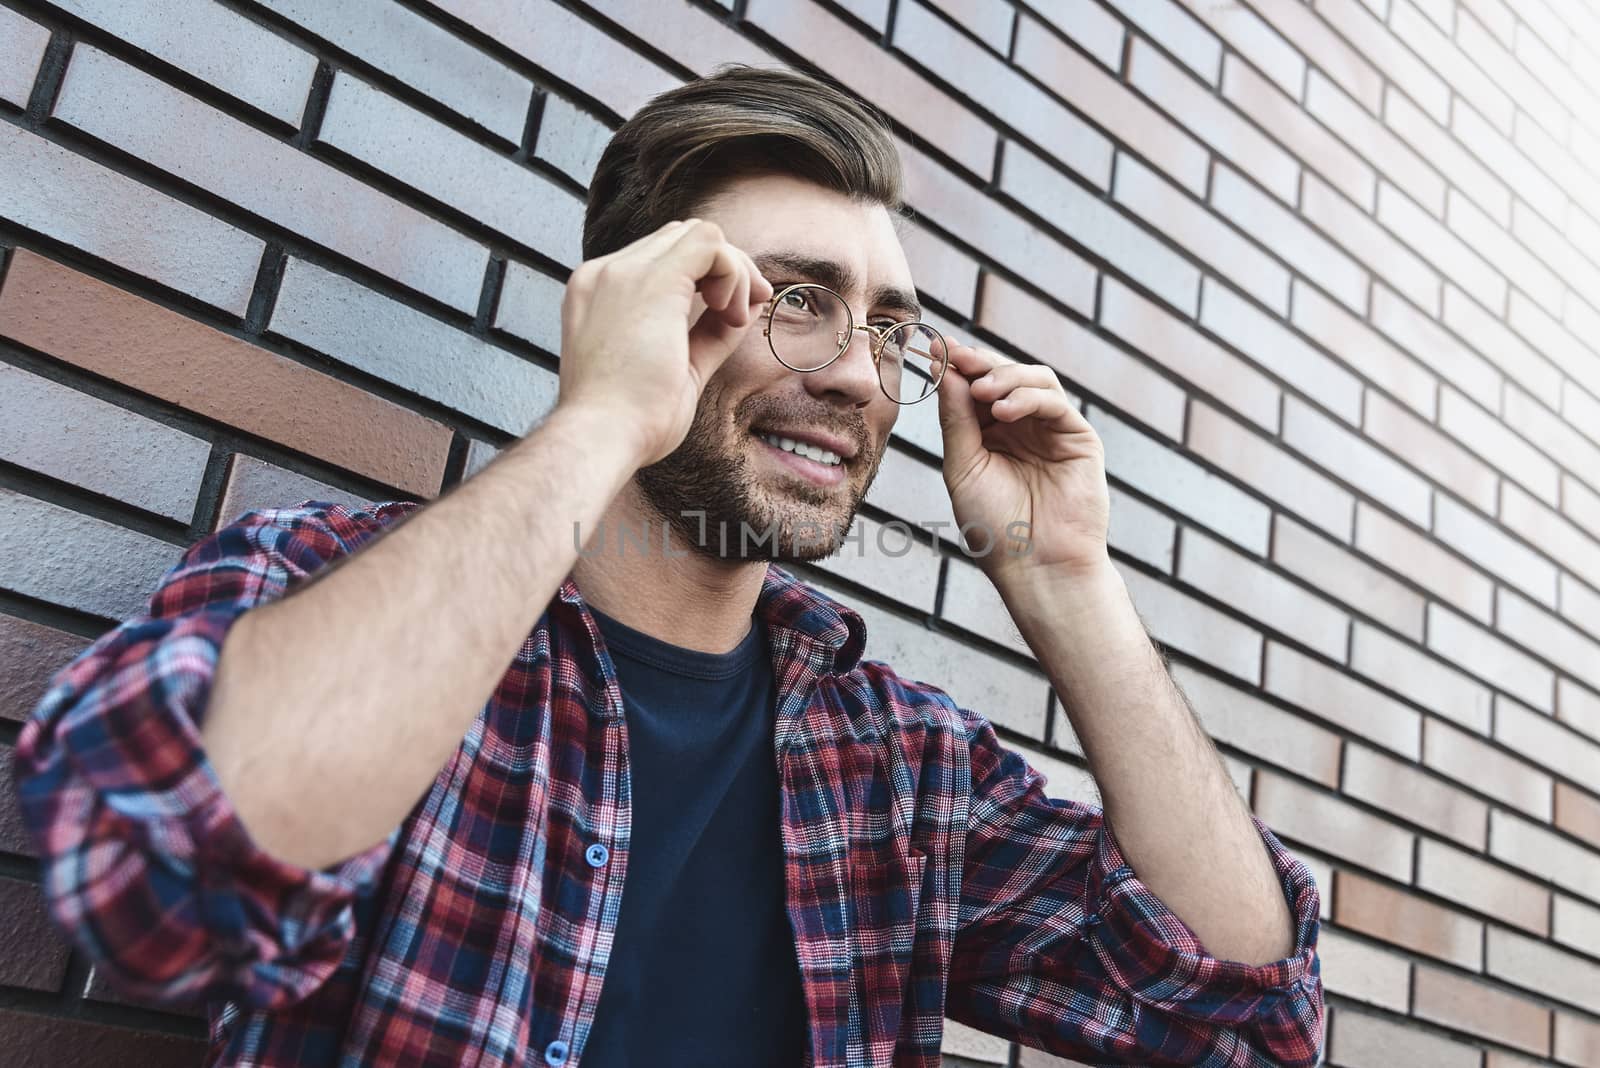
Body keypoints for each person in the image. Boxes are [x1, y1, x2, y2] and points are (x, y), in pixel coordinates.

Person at [14, 62, 1323, 1067]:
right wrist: (598, 420)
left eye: (890, 330)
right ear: (642, 302)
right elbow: (155, 877)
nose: (861, 378)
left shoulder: (905, 774)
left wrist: (1069, 580)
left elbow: (1241, 1019)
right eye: (795, 298)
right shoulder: (335, 587)